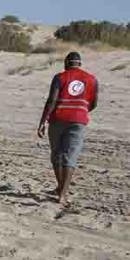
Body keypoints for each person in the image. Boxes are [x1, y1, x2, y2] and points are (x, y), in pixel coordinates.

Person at [37, 51, 98, 205]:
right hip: (78, 121)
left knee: (56, 154)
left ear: (66, 63)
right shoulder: (92, 79)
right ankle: (62, 194)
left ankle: (59, 187)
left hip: (58, 119)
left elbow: (51, 101)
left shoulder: (60, 77)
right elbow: (94, 103)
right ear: (80, 63)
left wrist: (43, 121)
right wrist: (80, 111)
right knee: (70, 157)